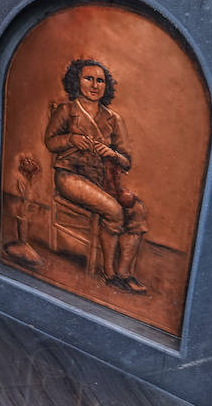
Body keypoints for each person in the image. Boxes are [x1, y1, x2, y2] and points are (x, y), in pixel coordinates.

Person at [44, 59, 148, 294]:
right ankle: (109, 273)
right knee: (113, 210)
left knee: (137, 210)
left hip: (103, 181)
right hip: (70, 177)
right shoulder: (66, 111)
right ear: (76, 81)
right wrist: (71, 139)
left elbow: (126, 161)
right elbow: (50, 142)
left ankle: (125, 273)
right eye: (88, 78)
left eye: (100, 80)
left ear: (106, 85)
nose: (94, 85)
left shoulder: (113, 119)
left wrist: (111, 153)